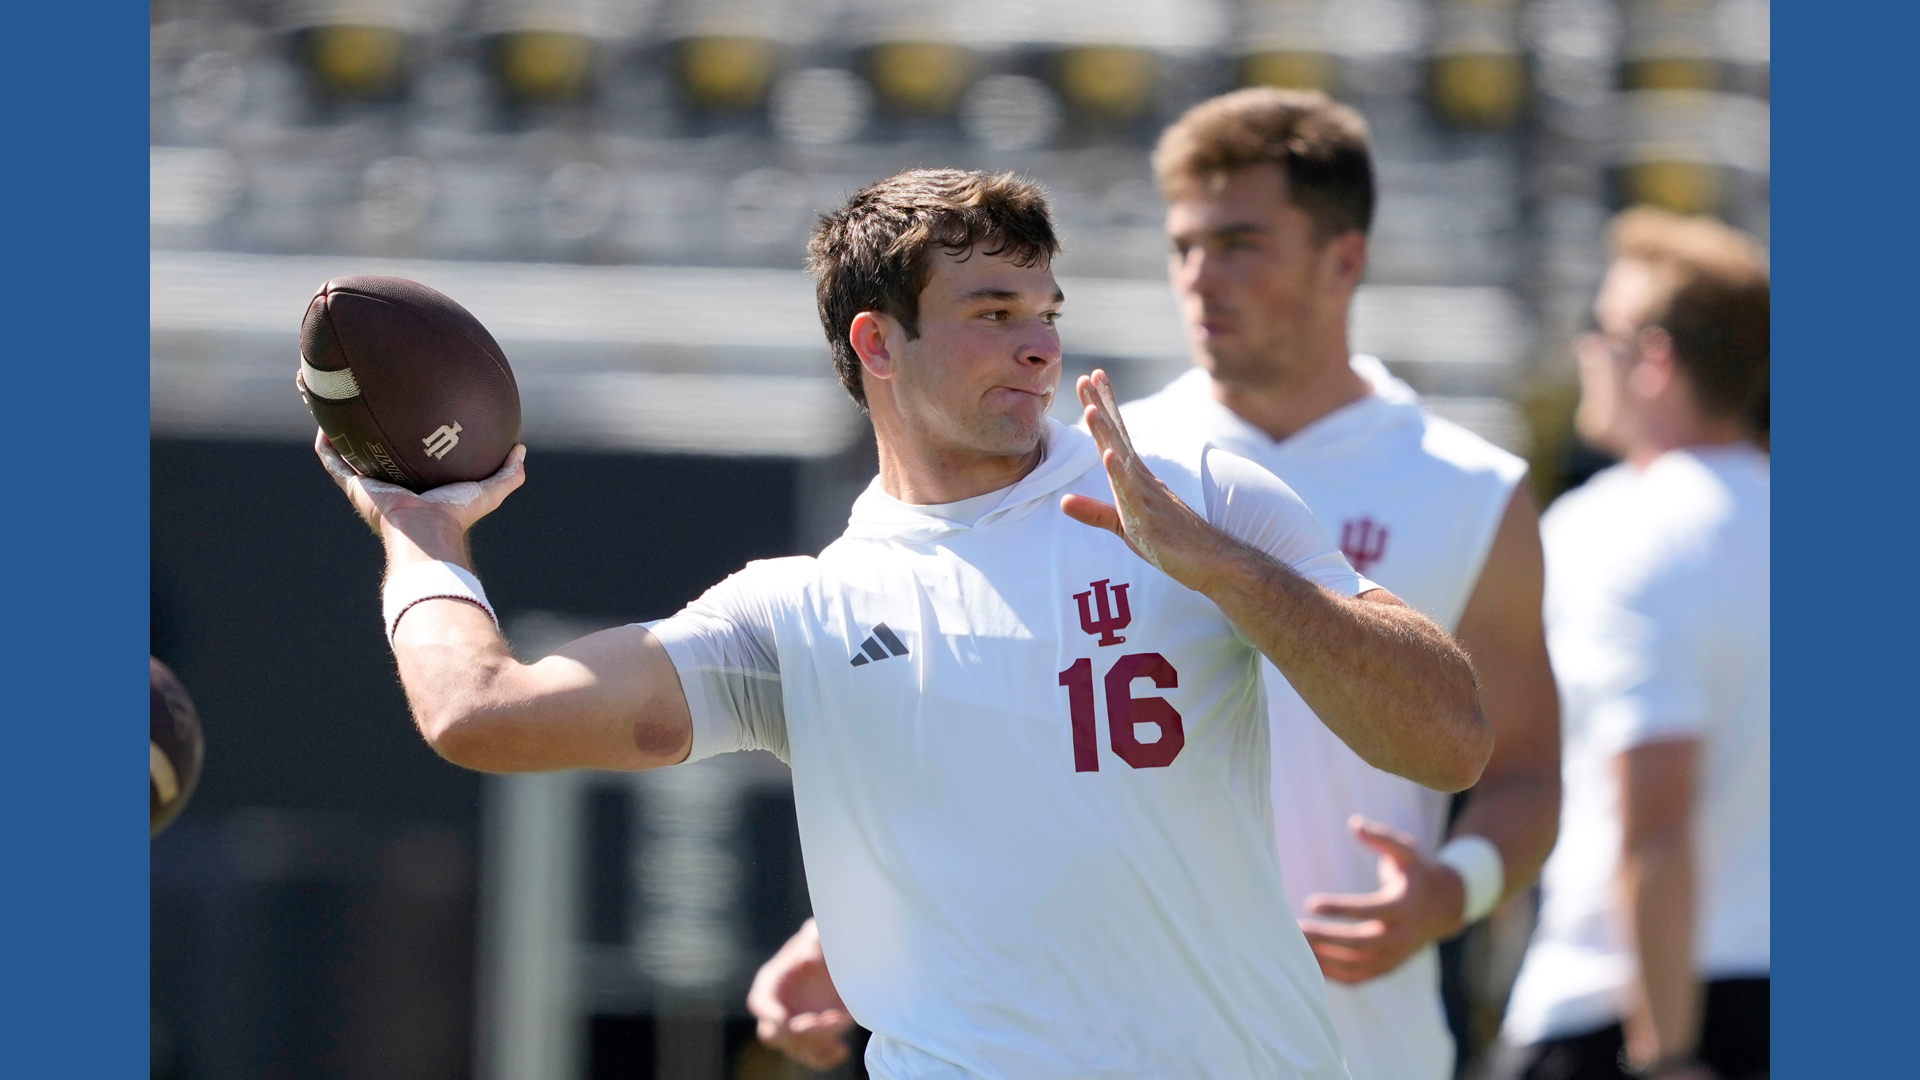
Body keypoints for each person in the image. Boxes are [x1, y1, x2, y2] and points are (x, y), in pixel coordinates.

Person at [319, 168, 1492, 1078]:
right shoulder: (802, 612)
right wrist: (421, 534)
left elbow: (1448, 737)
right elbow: (482, 714)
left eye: (1046, 309)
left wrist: (1234, 575)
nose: (1040, 344)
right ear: (877, 343)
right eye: (993, 311)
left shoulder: (1198, 498)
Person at [751, 90, 1562, 1080]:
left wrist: (1453, 891)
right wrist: (849, 925)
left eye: (1240, 243)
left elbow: (1519, 765)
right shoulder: (1085, 462)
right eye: (1184, 245)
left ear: (1343, 260)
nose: (1200, 278)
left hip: (1365, 1033)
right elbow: (1005, 738)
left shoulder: (1469, 485)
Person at [1496, 208, 1769, 1080]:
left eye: (1598, 332)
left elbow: (1656, 815)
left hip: (1634, 1011)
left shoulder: (1619, 530)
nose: (1585, 354)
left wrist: (1663, 1054)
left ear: (1653, 358)